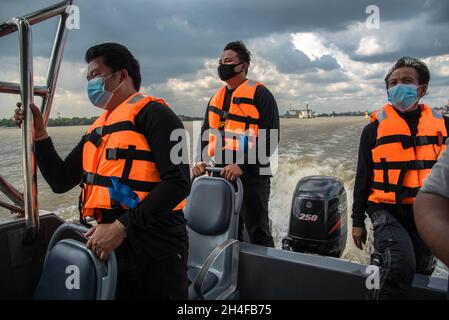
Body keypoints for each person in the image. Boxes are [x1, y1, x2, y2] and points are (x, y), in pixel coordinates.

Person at [14, 43, 190, 299]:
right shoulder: (97, 130)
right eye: (87, 78)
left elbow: (179, 183)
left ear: (121, 75)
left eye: (96, 75)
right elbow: (60, 180)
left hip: (157, 247)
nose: (90, 84)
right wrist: (39, 135)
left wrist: (121, 227)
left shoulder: (158, 115)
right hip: (111, 247)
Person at [351, 57, 449, 299]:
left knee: (421, 270)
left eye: (407, 81)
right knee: (398, 265)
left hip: (426, 212)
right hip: (385, 209)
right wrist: (356, 221)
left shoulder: (443, 127)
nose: (398, 86)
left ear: (422, 89)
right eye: (393, 83)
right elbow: (363, 177)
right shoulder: (372, 130)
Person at [192, 41, 280, 247]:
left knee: (257, 231)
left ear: (244, 66)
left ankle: (263, 277)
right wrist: (201, 160)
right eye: (220, 62)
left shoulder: (261, 94)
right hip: (220, 173)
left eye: (228, 61)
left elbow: (271, 137)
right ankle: (231, 275)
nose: (222, 65)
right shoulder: (216, 98)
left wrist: (242, 165)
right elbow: (206, 134)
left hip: (252, 176)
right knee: (225, 231)